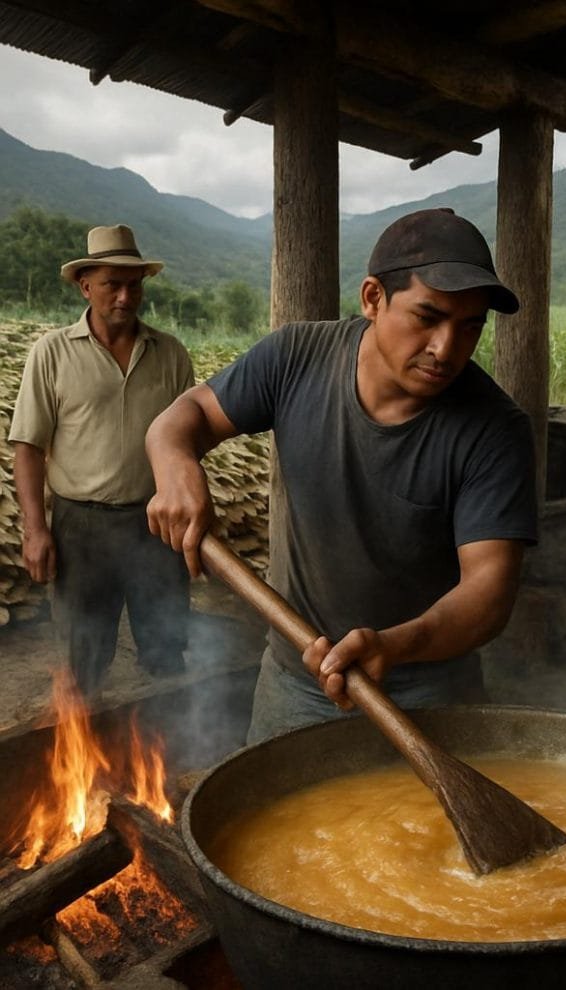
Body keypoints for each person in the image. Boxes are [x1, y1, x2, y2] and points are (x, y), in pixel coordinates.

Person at [145, 208, 537, 743]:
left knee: (428, 830)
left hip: (428, 690)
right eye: (428, 317)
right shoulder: (295, 358)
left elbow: (489, 590)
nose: (447, 349)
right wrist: (175, 467)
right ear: (373, 298)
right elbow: (182, 418)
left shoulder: (494, 429)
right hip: (295, 682)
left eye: (470, 326)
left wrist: (394, 645)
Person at [8, 224, 195, 695]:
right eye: (112, 283)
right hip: (82, 525)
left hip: (156, 521)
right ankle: (84, 749)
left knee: (166, 643)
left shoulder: (169, 353)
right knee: (82, 656)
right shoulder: (52, 352)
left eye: (134, 284)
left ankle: (172, 741)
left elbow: (190, 439)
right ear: (85, 285)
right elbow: (28, 447)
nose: (125, 296)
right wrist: (35, 530)